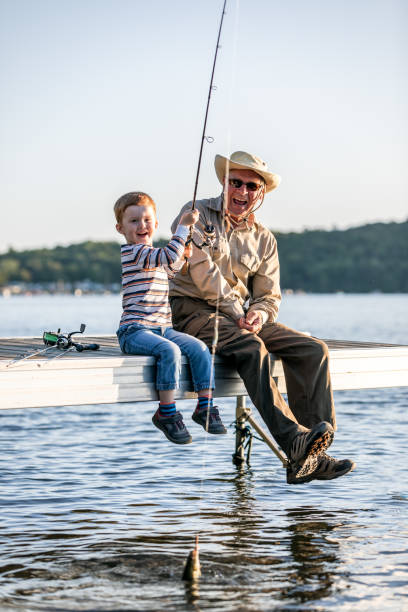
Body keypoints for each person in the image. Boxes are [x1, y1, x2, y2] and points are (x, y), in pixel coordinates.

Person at [169, 151, 355, 483]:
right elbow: (203, 274)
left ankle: (312, 456)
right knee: (252, 348)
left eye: (251, 186)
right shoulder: (194, 214)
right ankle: (294, 441)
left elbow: (269, 294)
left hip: (239, 318)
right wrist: (240, 313)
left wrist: (258, 313)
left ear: (262, 192)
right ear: (224, 183)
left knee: (314, 350)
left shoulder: (265, 238)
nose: (242, 192)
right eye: (235, 182)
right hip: (193, 312)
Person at [114, 191, 227, 445]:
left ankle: (205, 407)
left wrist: (183, 255)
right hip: (134, 330)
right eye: (133, 221)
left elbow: (171, 268)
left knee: (199, 348)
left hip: (163, 326)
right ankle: (166, 412)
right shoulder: (134, 253)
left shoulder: (152, 254)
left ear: (155, 224)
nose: (141, 226)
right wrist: (184, 228)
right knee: (170, 352)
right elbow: (167, 256)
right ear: (120, 228)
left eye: (146, 220)